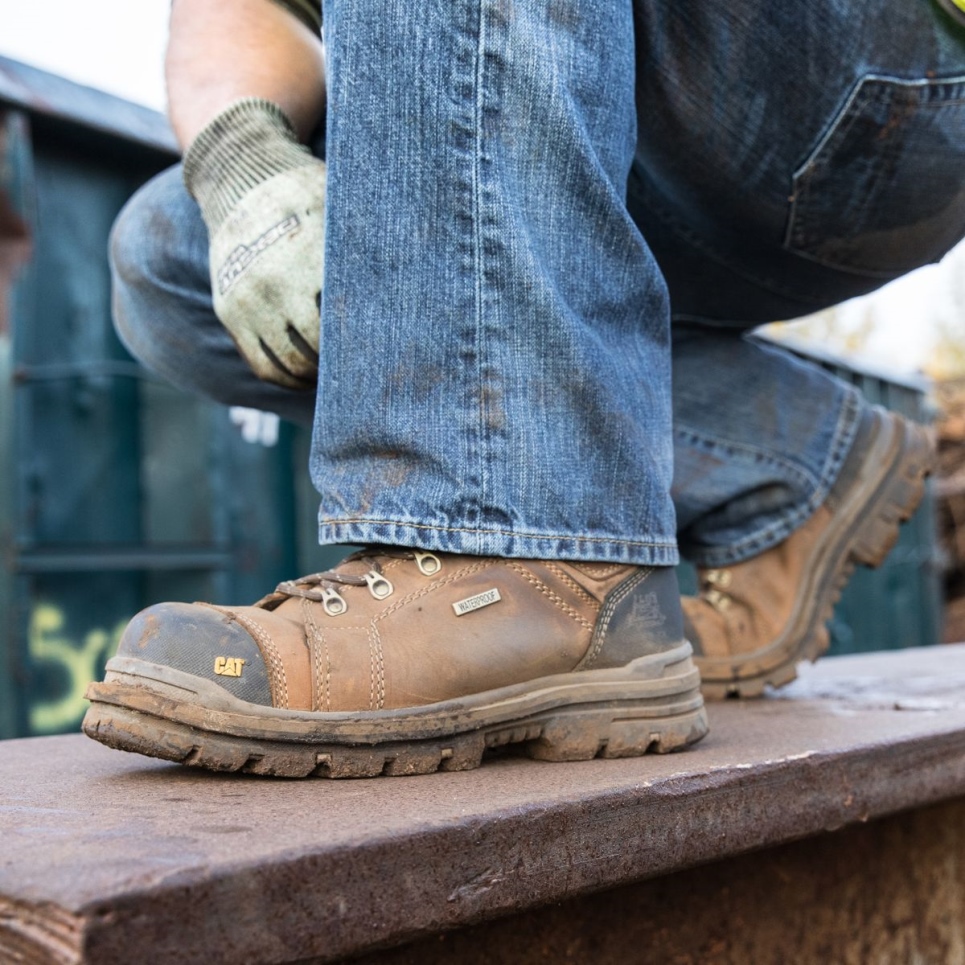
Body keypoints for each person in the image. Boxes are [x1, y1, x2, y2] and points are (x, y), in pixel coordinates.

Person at [83, 0, 963, 777]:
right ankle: (780, 457)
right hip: (582, 100)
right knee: (171, 257)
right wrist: (244, 172)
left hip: (875, 77)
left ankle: (509, 549)